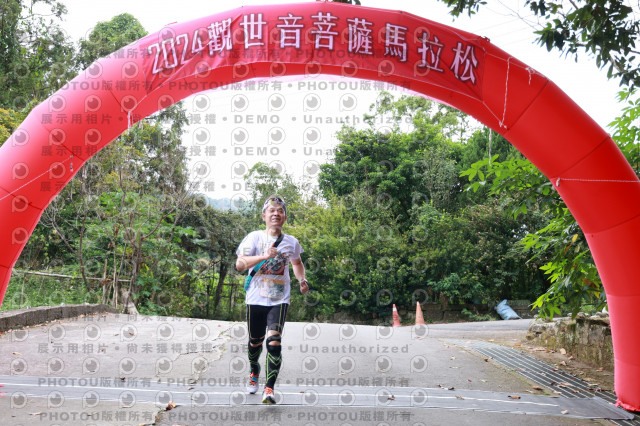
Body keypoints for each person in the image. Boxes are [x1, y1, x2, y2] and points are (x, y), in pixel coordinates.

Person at [235, 196, 309, 404]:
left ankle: (269, 389)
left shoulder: (292, 242)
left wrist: (302, 279)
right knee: (255, 342)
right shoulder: (254, 238)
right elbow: (240, 264)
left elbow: (297, 263)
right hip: (255, 299)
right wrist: (264, 256)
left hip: (279, 299)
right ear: (264, 216)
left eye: (280, 211)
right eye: (272, 210)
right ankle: (254, 370)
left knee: (274, 342)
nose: (276, 214)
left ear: (285, 217)